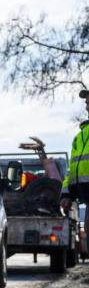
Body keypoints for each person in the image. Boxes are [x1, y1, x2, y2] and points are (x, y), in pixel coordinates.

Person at [60, 88, 89, 219]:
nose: (87, 107)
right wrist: (67, 195)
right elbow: (72, 169)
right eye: (87, 104)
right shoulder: (80, 136)